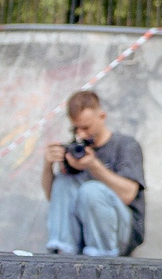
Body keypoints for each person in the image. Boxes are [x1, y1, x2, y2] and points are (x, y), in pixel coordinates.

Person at [43, 90, 145, 256]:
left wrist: (93, 165)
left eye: (86, 127)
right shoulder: (75, 149)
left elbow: (128, 195)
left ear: (102, 117)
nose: (81, 134)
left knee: (91, 190)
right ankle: (62, 253)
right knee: (63, 182)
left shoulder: (126, 145)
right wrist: (48, 165)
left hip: (122, 233)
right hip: (84, 237)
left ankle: (101, 262)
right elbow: (53, 198)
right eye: (75, 129)